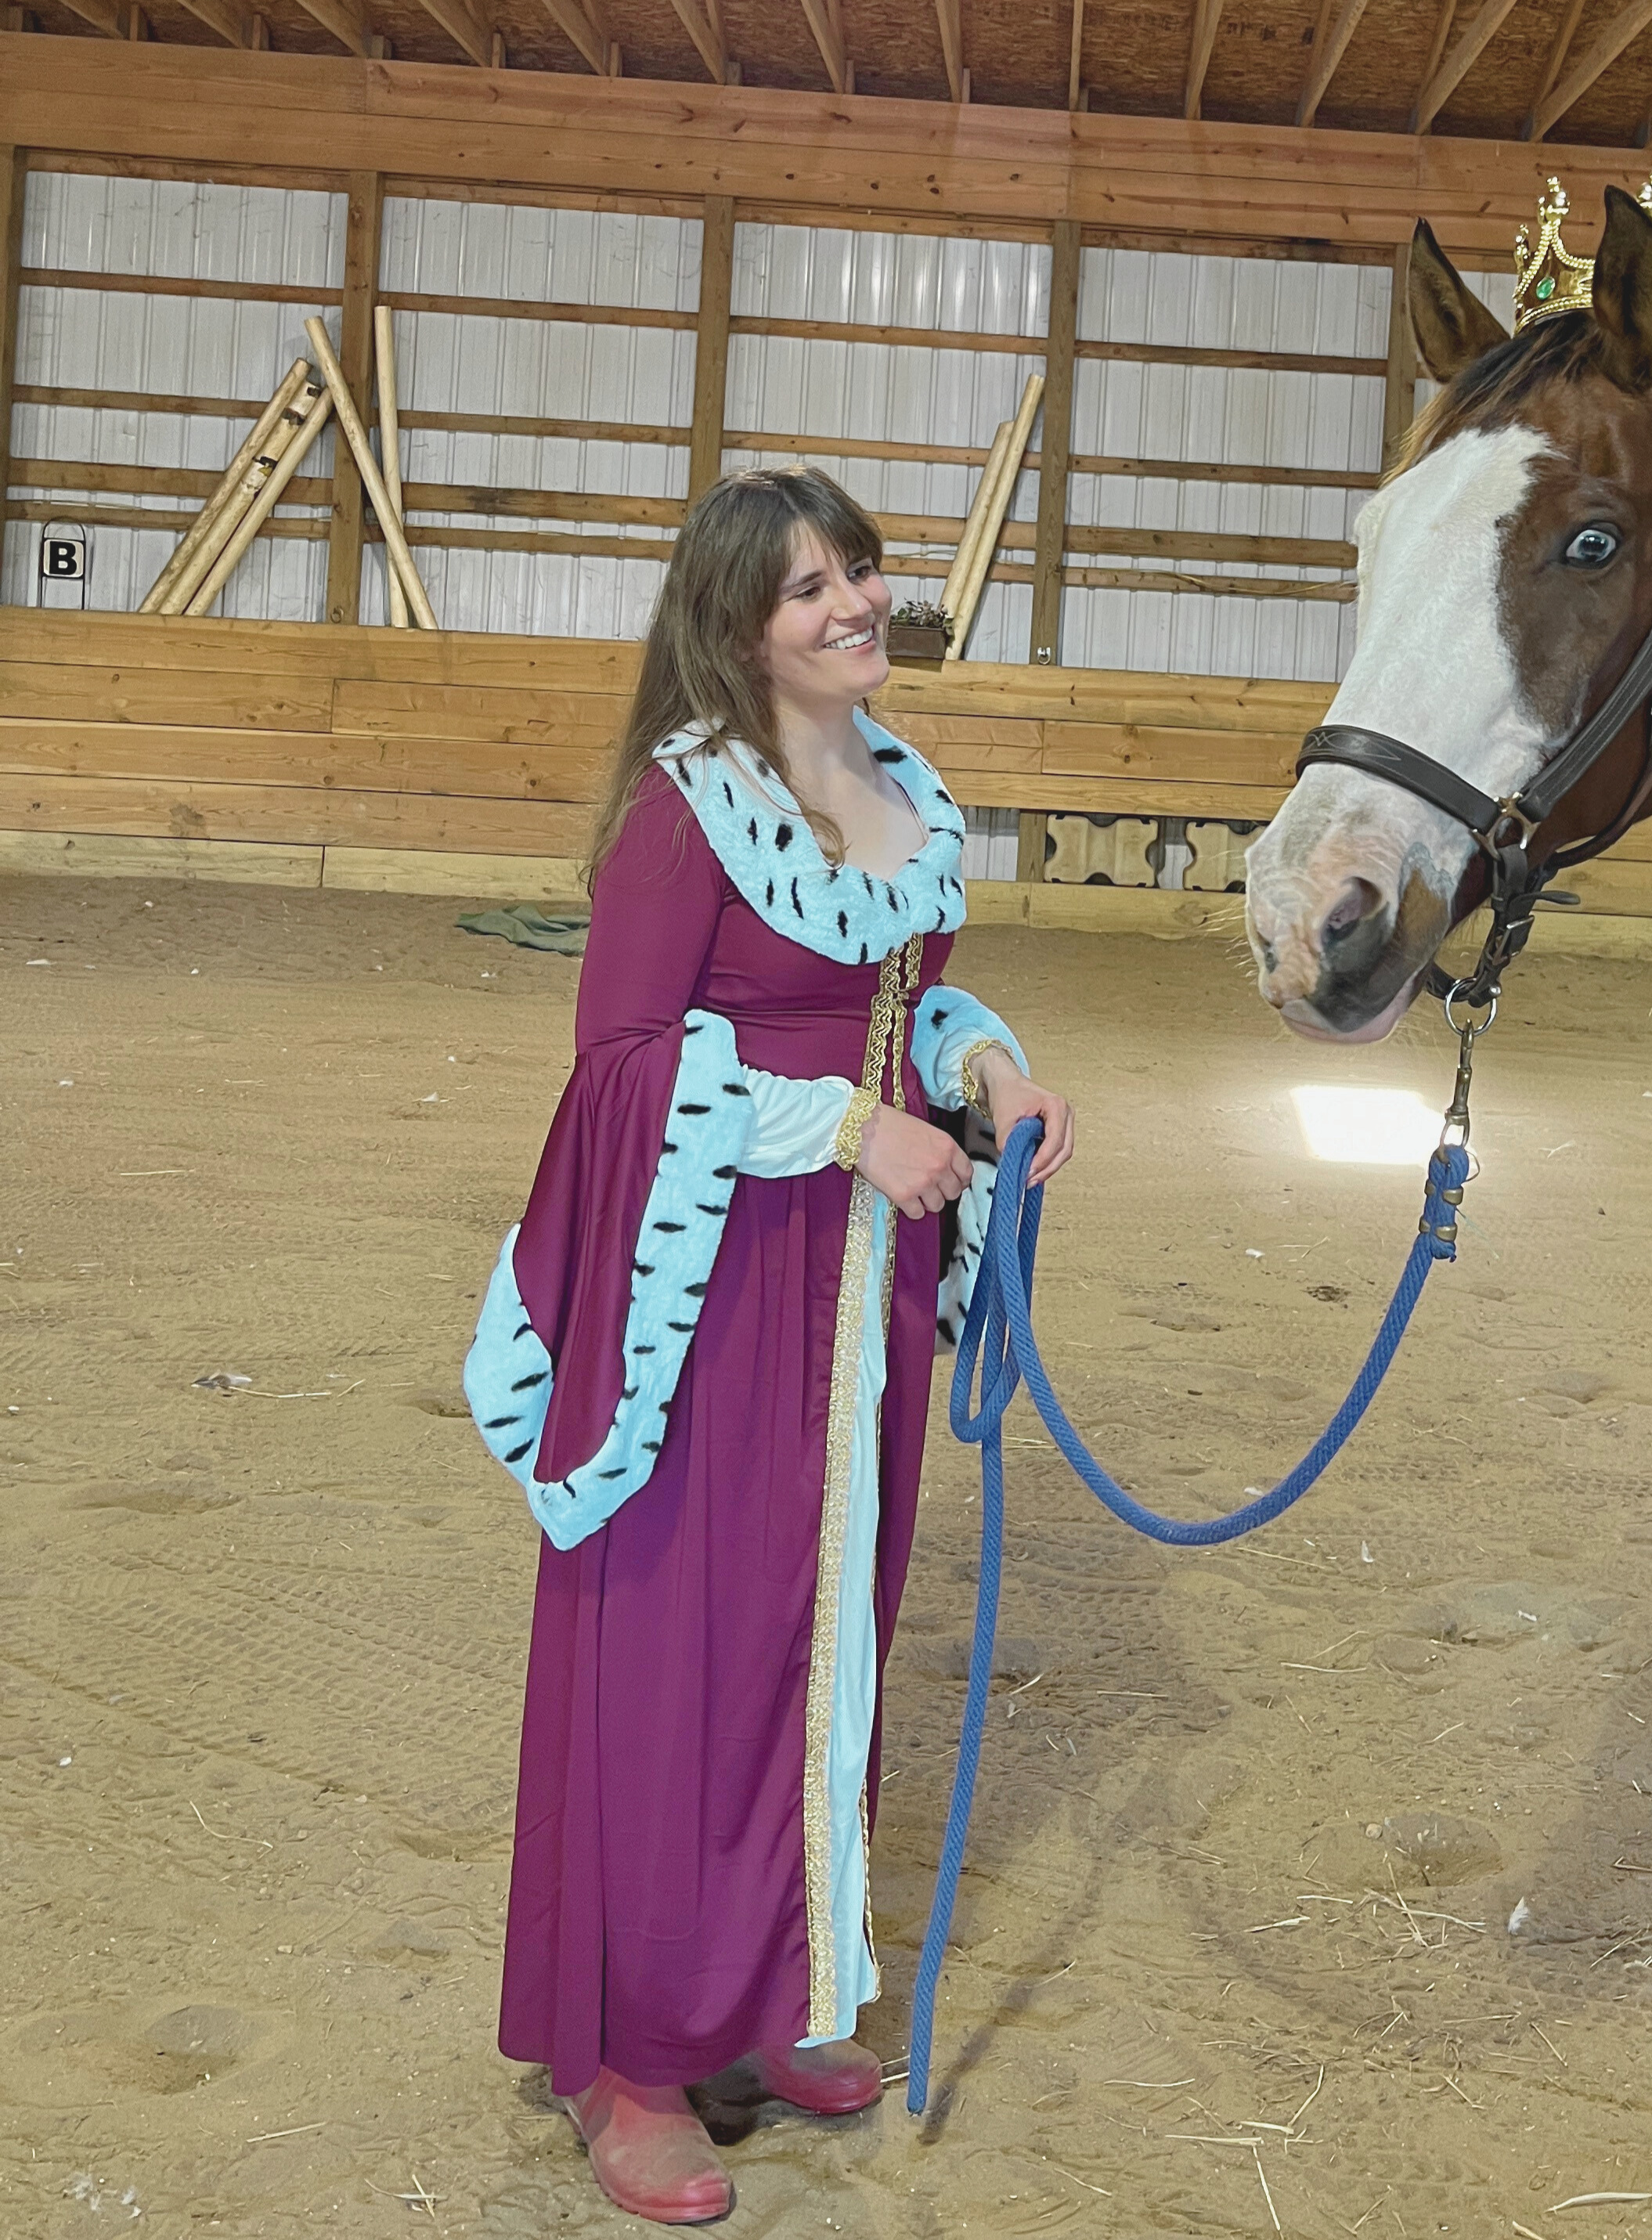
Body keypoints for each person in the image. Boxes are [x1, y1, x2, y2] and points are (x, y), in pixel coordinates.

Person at [462, 467, 1074, 2224]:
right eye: (809, 589)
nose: (852, 606)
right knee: (684, 1645)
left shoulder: (904, 794)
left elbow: (911, 999)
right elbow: (626, 1066)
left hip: (859, 1295)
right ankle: (632, 2057)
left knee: (828, 1635)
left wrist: (983, 1075)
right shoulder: (684, 810)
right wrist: (839, 1128)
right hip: (713, 1293)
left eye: (861, 573)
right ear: (738, 627)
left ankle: (770, 1998)